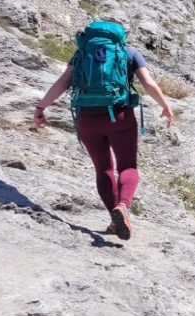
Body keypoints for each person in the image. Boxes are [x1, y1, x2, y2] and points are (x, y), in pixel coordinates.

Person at [33, 26, 174, 241]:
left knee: (103, 169)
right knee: (128, 167)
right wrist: (165, 105)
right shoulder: (128, 52)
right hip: (120, 117)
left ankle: (114, 220)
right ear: (120, 36)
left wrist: (41, 107)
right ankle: (123, 207)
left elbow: (63, 82)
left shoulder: (82, 53)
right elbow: (148, 82)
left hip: (87, 119)